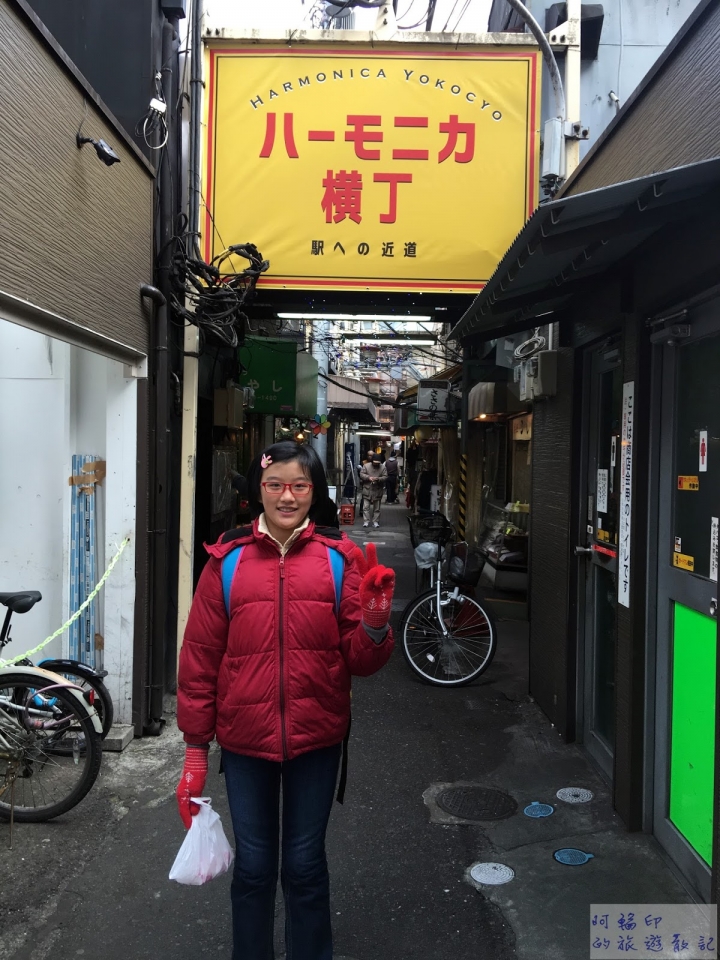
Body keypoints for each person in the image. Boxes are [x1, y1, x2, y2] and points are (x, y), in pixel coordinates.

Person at [175, 440, 395, 960]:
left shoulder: (339, 559)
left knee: (303, 865)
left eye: (299, 485)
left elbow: (360, 660)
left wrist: (375, 620)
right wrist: (193, 752)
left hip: (317, 737)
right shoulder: (225, 562)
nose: (287, 496)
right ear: (259, 490)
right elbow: (200, 660)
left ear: (313, 491)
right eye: (275, 485)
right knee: (253, 868)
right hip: (245, 742)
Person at [359, 453, 387, 528]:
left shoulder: (383, 467)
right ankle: (366, 521)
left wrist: (378, 479)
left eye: (378, 463)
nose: (376, 464)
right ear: (372, 461)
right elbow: (361, 474)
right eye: (375, 463)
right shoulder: (366, 466)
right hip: (367, 489)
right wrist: (368, 478)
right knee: (366, 507)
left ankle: (376, 521)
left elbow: (385, 476)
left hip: (377, 489)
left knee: (377, 508)